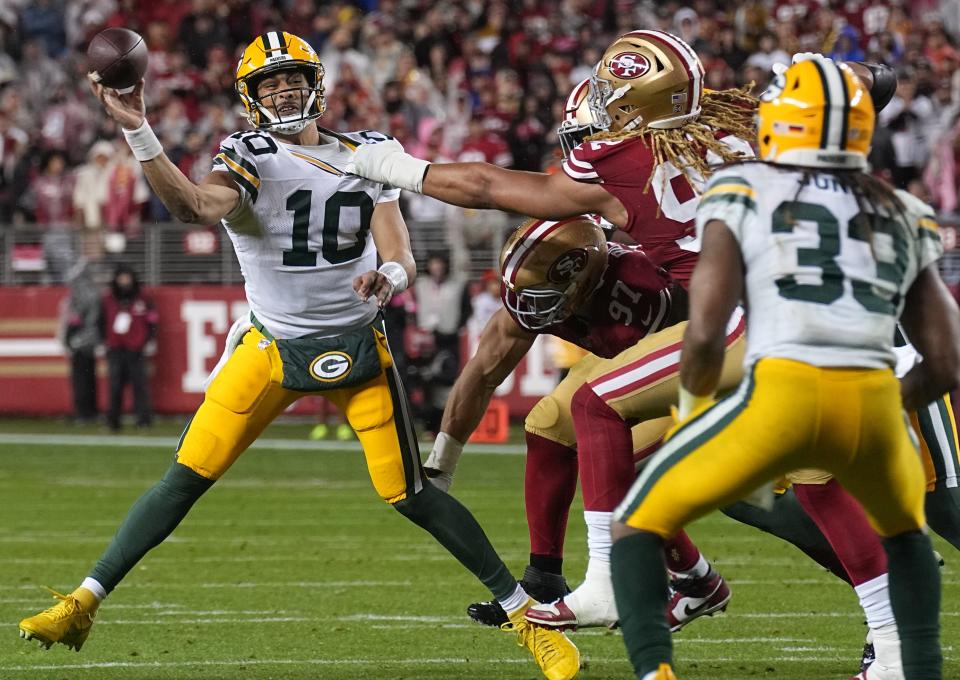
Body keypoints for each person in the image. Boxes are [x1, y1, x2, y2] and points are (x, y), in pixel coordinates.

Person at [18, 31, 579, 680]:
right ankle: (84, 602)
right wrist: (140, 132)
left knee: (412, 495)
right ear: (249, 97)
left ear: (318, 85)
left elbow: (399, 254)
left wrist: (389, 280)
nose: (283, 90)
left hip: (356, 345)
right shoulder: (248, 152)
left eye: (292, 79)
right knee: (183, 479)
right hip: (270, 345)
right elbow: (195, 206)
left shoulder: (369, 150)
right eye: (269, 83)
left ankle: (525, 618)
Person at [609, 58, 959, 680]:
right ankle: (904, 658)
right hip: (877, 387)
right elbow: (947, 356)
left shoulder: (742, 195)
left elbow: (709, 331)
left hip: (784, 394)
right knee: (914, 530)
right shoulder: (899, 207)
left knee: (640, 521)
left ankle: (654, 669)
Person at [102, 264, 157, 431]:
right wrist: (102, 341)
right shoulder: (108, 300)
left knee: (139, 386)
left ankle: (143, 420)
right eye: (121, 277)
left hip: (136, 348)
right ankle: (113, 421)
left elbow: (153, 321)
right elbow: (100, 321)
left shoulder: (144, 299)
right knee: (115, 386)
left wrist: (150, 340)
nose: (124, 281)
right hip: (116, 348)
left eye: (127, 277)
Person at [59, 259, 102, 424]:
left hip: (82, 340)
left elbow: (76, 318)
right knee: (88, 379)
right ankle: (89, 411)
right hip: (89, 339)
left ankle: (82, 412)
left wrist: (70, 337)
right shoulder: (92, 292)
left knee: (81, 380)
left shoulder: (83, 293)